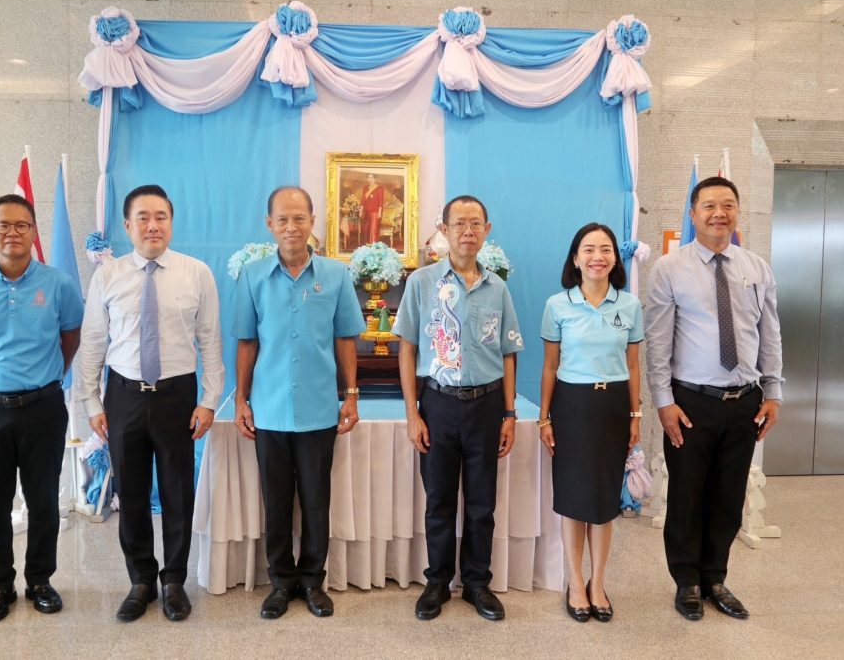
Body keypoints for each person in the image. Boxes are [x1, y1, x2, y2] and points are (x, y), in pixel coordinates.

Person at [75, 184, 224, 622]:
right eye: (143, 217)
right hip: (123, 396)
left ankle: (174, 580)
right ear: (128, 226)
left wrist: (210, 400)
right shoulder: (108, 276)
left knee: (178, 492)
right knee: (132, 493)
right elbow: (93, 342)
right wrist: (92, 403)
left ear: (171, 223)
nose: (152, 225)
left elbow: (211, 340)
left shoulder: (196, 273)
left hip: (178, 396)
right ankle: (141, 580)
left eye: (161, 217)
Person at [645, 176, 783, 621]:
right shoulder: (669, 268)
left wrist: (773, 391)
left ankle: (715, 578)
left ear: (738, 212)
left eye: (727, 205)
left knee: (728, 497)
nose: (718, 213)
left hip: (745, 402)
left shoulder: (756, 268)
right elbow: (657, 343)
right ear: (693, 213)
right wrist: (663, 402)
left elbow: (770, 334)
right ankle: (686, 580)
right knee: (686, 496)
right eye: (708, 206)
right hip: (691, 403)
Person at [0, 194, 84, 624]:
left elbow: (71, 337)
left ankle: (40, 581)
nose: (12, 233)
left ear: (34, 231)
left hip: (43, 408)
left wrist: (47, 377)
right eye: (3, 225)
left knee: (43, 501)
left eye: (21, 225)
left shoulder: (58, 284)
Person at [234, 186, 364, 619]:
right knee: (275, 502)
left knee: (315, 500)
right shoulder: (252, 276)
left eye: (299, 219)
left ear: (312, 222)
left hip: (318, 409)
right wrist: (241, 399)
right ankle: (280, 583)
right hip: (269, 409)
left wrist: (350, 395)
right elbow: (247, 341)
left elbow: (345, 338)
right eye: (283, 220)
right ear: (269, 224)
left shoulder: (336, 275)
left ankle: (311, 581)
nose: (291, 227)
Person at [393, 195, 523, 622]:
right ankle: (437, 582)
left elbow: (508, 353)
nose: (468, 231)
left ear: (487, 230)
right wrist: (412, 413)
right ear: (444, 230)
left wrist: (509, 415)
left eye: (476, 223)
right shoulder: (422, 283)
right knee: (439, 500)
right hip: (438, 404)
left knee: (482, 503)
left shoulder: (497, 288)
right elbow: (407, 349)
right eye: (459, 223)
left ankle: (477, 583)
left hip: (486, 405)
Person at [538, 223, 643, 623]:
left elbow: (633, 366)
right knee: (574, 500)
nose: (597, 256)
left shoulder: (629, 305)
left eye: (605, 249)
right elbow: (550, 366)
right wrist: (544, 418)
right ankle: (575, 582)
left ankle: (598, 583)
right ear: (576, 258)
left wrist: (635, 414)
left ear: (615, 258)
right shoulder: (557, 305)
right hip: (572, 406)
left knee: (603, 502)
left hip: (613, 405)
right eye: (589, 249)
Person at [360, 173, 384, 244]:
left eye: (372, 178)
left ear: (375, 179)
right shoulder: (365, 188)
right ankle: (367, 245)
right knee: (366, 229)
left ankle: (373, 245)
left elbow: (381, 200)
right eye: (369, 177)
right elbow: (363, 200)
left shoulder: (379, 188)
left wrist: (380, 211)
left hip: (375, 211)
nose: (370, 179)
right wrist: (361, 210)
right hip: (366, 211)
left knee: (373, 229)